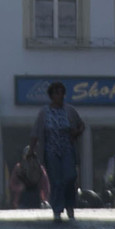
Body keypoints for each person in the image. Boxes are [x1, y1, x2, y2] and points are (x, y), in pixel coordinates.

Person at [30, 82, 85, 221]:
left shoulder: (70, 110)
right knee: (56, 181)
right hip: (51, 151)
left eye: (61, 93)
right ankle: (57, 208)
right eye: (57, 93)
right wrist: (31, 149)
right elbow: (36, 132)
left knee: (70, 177)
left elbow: (81, 125)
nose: (60, 96)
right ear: (51, 96)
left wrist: (76, 132)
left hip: (67, 149)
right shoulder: (44, 113)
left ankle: (70, 205)